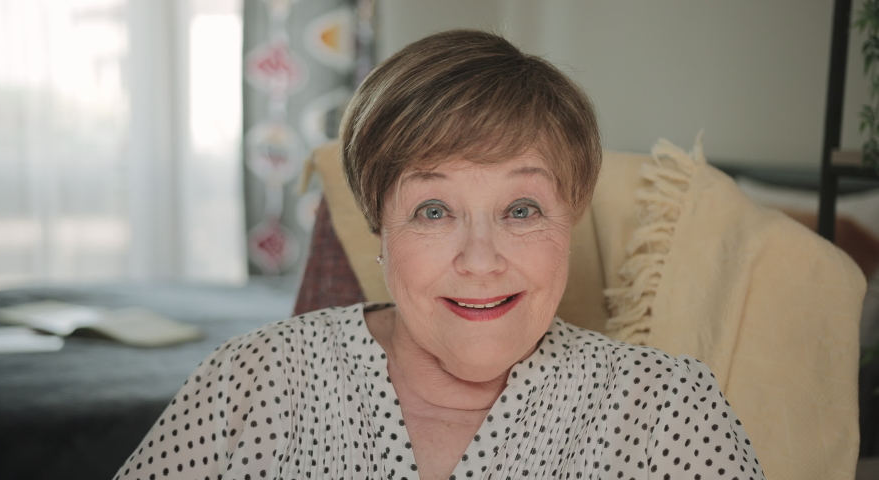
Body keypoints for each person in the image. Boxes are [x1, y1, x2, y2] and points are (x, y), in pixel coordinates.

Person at [115, 30, 764, 480]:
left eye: (521, 210)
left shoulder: (668, 408)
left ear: (571, 216)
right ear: (380, 230)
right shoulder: (251, 381)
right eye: (433, 211)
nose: (480, 261)